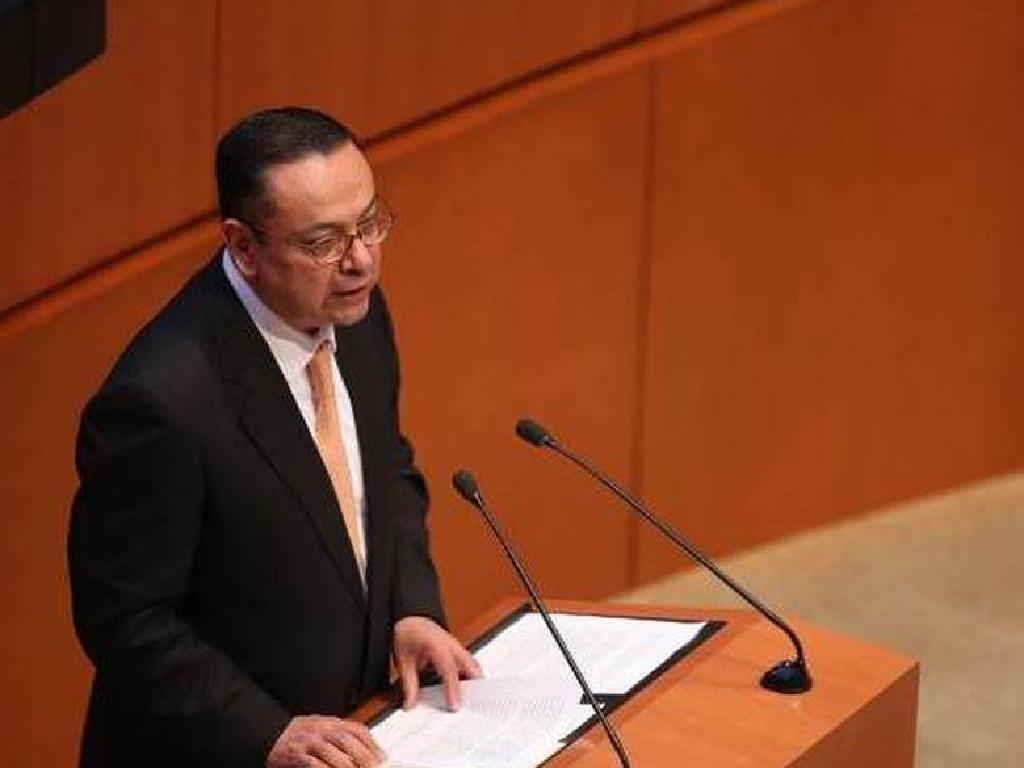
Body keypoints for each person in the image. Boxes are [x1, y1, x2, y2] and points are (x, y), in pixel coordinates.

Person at [68, 107, 480, 768]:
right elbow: (126, 621)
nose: (360, 261)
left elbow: (386, 473)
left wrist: (413, 608)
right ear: (242, 247)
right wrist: (266, 732)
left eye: (369, 223)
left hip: (353, 730)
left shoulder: (355, 315)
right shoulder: (159, 402)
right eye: (323, 243)